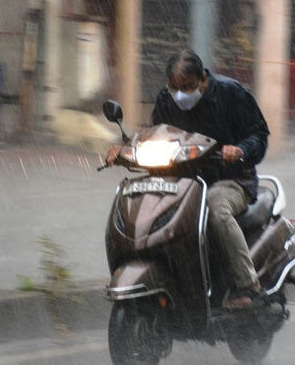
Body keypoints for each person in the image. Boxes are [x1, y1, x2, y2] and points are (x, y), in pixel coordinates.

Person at [109, 49, 270, 309]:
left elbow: (260, 136)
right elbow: (155, 135)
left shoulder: (231, 93)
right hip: (180, 181)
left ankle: (248, 286)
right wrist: (125, 149)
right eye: (174, 88)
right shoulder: (166, 99)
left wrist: (239, 150)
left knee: (216, 211)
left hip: (229, 180)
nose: (180, 94)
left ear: (202, 80)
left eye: (187, 87)